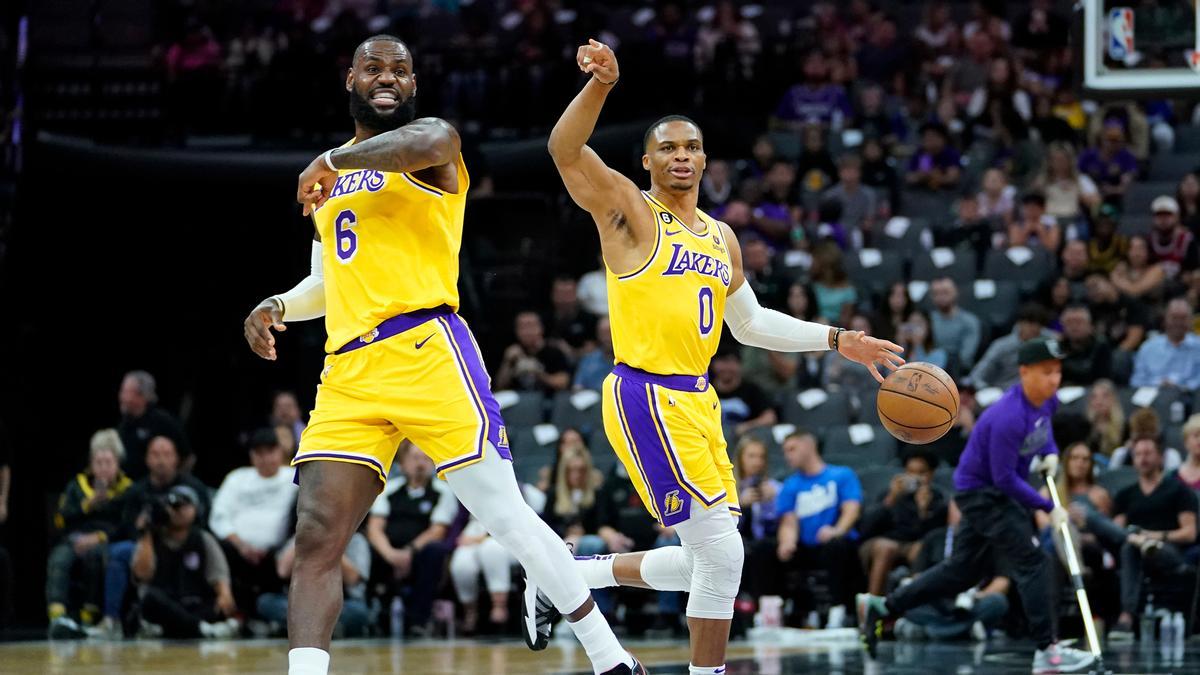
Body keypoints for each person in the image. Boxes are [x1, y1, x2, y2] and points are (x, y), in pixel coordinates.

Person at [242, 35, 637, 675]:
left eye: (400, 69)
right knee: (316, 534)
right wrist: (279, 306)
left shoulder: (425, 151)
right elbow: (327, 281)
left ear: (415, 83)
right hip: (349, 368)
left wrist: (334, 157)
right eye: (374, 67)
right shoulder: (329, 184)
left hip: (428, 350)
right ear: (350, 78)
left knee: (506, 517)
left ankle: (611, 660)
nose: (387, 77)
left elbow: (432, 140)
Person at [546, 39, 903, 675]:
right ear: (649, 160)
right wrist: (600, 87)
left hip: (698, 400)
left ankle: (569, 573)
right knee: (724, 556)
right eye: (668, 148)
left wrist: (836, 339)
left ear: (704, 158)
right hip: (647, 393)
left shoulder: (721, 236)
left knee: (707, 560)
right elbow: (565, 152)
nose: (681, 156)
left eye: (691, 147)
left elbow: (751, 322)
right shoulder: (629, 210)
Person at [858, 337, 1095, 673]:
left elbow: (1044, 430)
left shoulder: (1046, 400)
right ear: (1024, 372)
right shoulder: (1007, 417)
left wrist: (1051, 454)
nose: (1054, 379)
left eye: (1057, 371)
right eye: (1046, 372)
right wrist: (1046, 506)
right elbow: (1004, 480)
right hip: (982, 494)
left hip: (996, 492)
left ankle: (884, 607)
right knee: (1033, 562)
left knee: (962, 571)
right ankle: (1047, 651)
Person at [1104, 436, 1198, 639]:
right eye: (1138, 454)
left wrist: (1153, 536)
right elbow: (1117, 532)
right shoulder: (1126, 494)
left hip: (1170, 552)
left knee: (1137, 545)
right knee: (1129, 546)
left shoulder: (1179, 490)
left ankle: (1126, 617)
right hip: (1134, 551)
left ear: (1160, 457)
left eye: (1148, 453)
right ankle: (1127, 614)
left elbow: (1189, 533)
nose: (1143, 459)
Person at [365, 441, 458, 636]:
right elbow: (375, 529)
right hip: (389, 552)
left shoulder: (443, 492)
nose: (420, 464)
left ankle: (419, 620)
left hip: (418, 553)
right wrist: (391, 555)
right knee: (369, 547)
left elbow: (437, 530)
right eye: (415, 458)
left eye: (426, 459)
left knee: (434, 551)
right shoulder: (388, 489)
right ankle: (375, 615)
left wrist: (410, 552)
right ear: (402, 463)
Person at [46, 430, 133, 638]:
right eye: (98, 462)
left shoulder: (128, 489)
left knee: (95, 558)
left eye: (108, 462)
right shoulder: (78, 485)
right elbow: (62, 518)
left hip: (105, 540)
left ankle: (89, 618)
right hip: (74, 539)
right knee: (60, 558)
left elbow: (126, 525)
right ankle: (57, 617)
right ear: (91, 463)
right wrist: (88, 504)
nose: (103, 468)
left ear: (118, 463)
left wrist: (100, 537)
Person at [772, 431, 862, 627]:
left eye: (792, 448)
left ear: (808, 446)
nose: (787, 455)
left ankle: (839, 611)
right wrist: (787, 542)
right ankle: (777, 612)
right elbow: (788, 521)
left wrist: (837, 530)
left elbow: (851, 509)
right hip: (807, 545)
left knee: (836, 545)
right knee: (769, 549)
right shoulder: (791, 485)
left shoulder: (841, 475)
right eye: (785, 451)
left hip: (836, 544)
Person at [209, 428, 297, 618]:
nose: (265, 459)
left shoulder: (294, 478)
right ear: (251, 455)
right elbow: (219, 516)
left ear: (280, 452)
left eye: (270, 452)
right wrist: (241, 545)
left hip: (278, 553)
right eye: (259, 453)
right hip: (237, 550)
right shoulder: (237, 478)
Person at [131, 485, 238, 639]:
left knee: (217, 606)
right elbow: (142, 574)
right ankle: (202, 629)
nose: (178, 510)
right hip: (166, 603)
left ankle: (177, 628)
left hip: (194, 602)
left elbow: (218, 574)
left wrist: (224, 594)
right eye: (174, 506)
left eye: (185, 505)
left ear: (196, 509)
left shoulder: (202, 538)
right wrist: (146, 532)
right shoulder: (151, 539)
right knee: (150, 598)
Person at [859, 450, 947, 597]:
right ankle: (874, 603)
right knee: (887, 547)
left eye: (921, 472)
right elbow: (866, 528)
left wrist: (923, 511)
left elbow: (933, 537)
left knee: (921, 549)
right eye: (910, 471)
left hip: (913, 544)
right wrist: (890, 500)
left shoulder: (937, 500)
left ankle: (912, 604)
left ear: (931, 474)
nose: (915, 477)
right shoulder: (889, 493)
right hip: (881, 543)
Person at [257, 530, 371, 639]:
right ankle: (321, 628)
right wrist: (303, 540)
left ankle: (301, 627)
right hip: (302, 603)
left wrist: (330, 544)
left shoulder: (356, 540)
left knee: (358, 612)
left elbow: (352, 578)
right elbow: (282, 571)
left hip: (341, 603)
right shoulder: (302, 534)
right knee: (266, 601)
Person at [116, 371, 189, 479]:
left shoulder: (164, 422)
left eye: (125, 391)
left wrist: (174, 482)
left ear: (141, 396)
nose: (121, 396)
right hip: (128, 488)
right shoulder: (123, 425)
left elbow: (187, 456)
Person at [968, 303, 1051, 389]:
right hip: (1004, 393)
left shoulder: (1047, 343)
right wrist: (989, 391)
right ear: (1020, 323)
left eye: (1039, 325)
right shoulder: (1001, 346)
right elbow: (976, 376)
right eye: (1030, 323)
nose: (1034, 329)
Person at [1130, 297, 1200, 391]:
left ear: (1191, 320)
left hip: (1189, 398)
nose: (1178, 323)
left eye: (1183, 318)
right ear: (1165, 319)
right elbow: (1136, 381)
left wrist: (1179, 386)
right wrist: (1158, 383)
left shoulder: (1198, 346)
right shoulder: (1148, 347)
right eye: (1174, 317)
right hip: (1153, 397)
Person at [495, 311, 573, 394]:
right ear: (516, 331)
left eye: (531, 326)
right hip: (518, 400)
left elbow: (563, 383)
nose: (528, 331)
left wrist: (537, 373)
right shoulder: (513, 352)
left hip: (547, 401)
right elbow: (499, 386)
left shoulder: (553, 351)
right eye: (523, 327)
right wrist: (507, 362)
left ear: (541, 328)